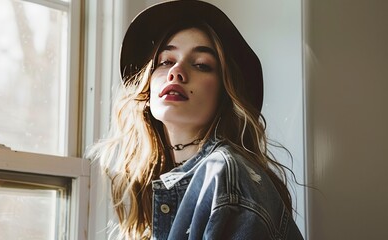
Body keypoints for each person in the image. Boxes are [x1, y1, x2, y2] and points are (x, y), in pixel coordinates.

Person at [87, 0, 304, 239]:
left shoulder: (226, 176)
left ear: (225, 93)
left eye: (201, 65)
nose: (176, 71)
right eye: (166, 61)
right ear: (147, 88)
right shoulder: (171, 179)